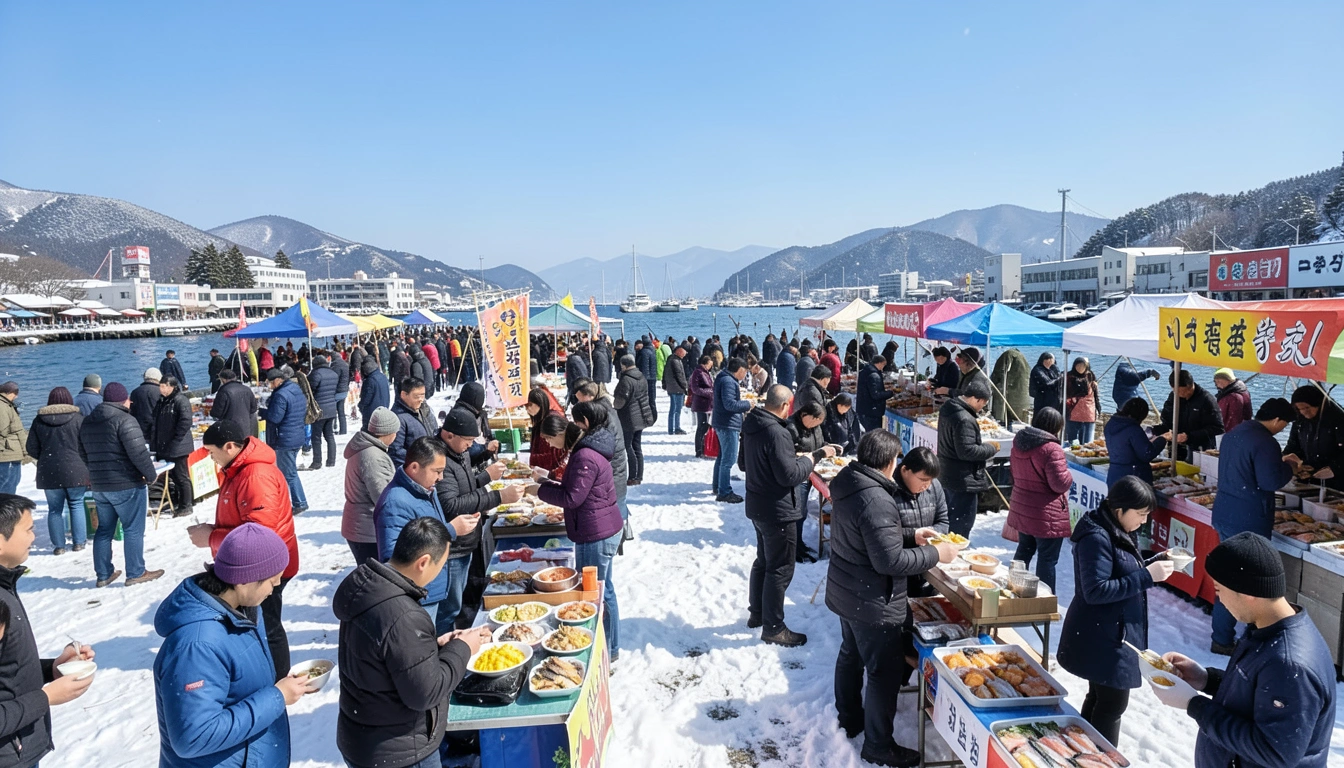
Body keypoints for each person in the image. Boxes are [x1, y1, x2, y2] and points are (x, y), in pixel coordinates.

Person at [827, 431, 958, 767]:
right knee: (883, 671)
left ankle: (850, 717)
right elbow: (890, 561)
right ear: (889, 462)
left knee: (850, 654)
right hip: (871, 598)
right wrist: (934, 553)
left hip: (849, 590)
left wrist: (911, 535)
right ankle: (878, 744)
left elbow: (872, 535)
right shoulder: (877, 498)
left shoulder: (849, 481)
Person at [1156, 533, 1336, 768]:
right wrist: (1206, 679)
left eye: (1219, 590)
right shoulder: (1266, 627)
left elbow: (1275, 752)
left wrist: (1194, 705)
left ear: (1249, 592)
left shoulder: (1288, 664)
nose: (1218, 600)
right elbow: (1257, 694)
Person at [334, 516, 492, 768]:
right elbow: (425, 693)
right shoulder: (403, 613)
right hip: (400, 751)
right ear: (423, 562)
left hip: (363, 737)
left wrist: (436, 646)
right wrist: (464, 648)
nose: (439, 573)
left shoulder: (371, 590)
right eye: (440, 565)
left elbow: (388, 655)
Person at [154, 523, 307, 767]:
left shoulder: (243, 610)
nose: (276, 587)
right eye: (272, 580)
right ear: (244, 581)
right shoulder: (197, 646)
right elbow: (193, 737)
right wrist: (277, 697)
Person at [1057, 476, 1175, 746]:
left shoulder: (1113, 527)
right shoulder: (1096, 537)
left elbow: (1122, 566)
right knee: (1112, 705)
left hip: (1110, 631)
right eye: (1141, 514)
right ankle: (1099, 758)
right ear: (1120, 508)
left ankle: (1081, 752)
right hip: (1105, 635)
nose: (1143, 521)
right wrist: (1147, 576)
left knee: (1100, 699)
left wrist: (1155, 561)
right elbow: (1096, 590)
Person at [190, 420, 300, 681]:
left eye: (212, 452)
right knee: (259, 619)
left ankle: (277, 678)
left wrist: (212, 537)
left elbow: (260, 533)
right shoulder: (238, 469)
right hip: (254, 564)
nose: (211, 458)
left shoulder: (255, 475)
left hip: (266, 566)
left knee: (267, 622)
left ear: (229, 447)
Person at [0, 493, 98, 768]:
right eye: (28, 530)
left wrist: (51, 670)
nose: (34, 537)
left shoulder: (4, 584)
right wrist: (45, 698)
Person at [530, 415, 625, 659]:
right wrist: (545, 481)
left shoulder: (584, 456)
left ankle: (607, 649)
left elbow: (573, 498)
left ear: (562, 433)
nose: (550, 445)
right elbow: (573, 488)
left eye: (550, 439)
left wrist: (539, 490)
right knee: (600, 590)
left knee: (597, 593)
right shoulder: (583, 451)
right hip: (593, 528)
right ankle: (607, 645)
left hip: (597, 532)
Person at [742, 385, 829, 646]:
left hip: (759, 504)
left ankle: (757, 614)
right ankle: (774, 627)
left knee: (764, 561)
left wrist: (792, 458)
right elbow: (790, 475)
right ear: (785, 406)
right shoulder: (777, 431)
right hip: (778, 508)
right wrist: (814, 457)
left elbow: (744, 464)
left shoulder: (752, 423)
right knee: (779, 569)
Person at [1210, 398, 1298, 655]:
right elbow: (1270, 481)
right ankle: (1244, 638)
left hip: (1226, 511)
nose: (1282, 430)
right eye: (1284, 425)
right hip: (1248, 519)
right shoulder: (1265, 441)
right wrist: (1289, 465)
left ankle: (1221, 636)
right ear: (1277, 421)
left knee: (1228, 577)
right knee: (1250, 583)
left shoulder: (1234, 433)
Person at [375, 437, 479, 634]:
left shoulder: (425, 489)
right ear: (414, 467)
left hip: (437, 590)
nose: (440, 478)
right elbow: (393, 559)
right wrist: (450, 531)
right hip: (422, 598)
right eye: (437, 472)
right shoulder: (395, 502)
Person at [435, 410, 520, 631]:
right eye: (468, 441)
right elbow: (451, 504)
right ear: (449, 435)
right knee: (451, 609)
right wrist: (498, 497)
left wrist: (486, 477)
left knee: (466, 599)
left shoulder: (458, 452)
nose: (470, 447)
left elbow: (465, 486)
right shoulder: (439, 458)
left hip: (468, 539)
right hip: (452, 546)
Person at [79, 382, 164, 588]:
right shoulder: (125, 420)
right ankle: (135, 572)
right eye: (128, 398)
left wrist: (95, 472)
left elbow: (83, 452)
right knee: (133, 529)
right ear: (122, 400)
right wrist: (151, 475)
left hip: (100, 486)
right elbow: (139, 453)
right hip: (126, 483)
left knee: (104, 530)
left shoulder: (88, 421)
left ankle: (103, 574)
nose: (130, 402)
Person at [1007, 407, 1072, 592]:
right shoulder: (1052, 449)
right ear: (1056, 427)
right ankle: (1044, 599)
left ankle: (1013, 589)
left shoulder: (1019, 442)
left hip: (1022, 507)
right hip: (1045, 513)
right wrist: (1069, 475)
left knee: (1024, 551)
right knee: (1047, 559)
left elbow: (1013, 474)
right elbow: (1060, 484)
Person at [26, 387, 89, 554]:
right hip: (76, 469)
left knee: (54, 509)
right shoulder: (78, 419)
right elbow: (86, 445)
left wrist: (46, 457)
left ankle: (59, 546)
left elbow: (31, 447)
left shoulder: (38, 421)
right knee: (76, 504)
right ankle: (79, 542)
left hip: (48, 470)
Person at [935, 377, 999, 538]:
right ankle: (954, 553)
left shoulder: (949, 407)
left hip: (947, 472)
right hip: (962, 478)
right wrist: (991, 448)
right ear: (975, 399)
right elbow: (967, 451)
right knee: (961, 522)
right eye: (982, 403)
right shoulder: (964, 419)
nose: (982, 407)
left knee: (950, 516)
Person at [344, 407, 399, 565]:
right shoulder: (373, 456)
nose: (396, 436)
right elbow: (382, 496)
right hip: (366, 529)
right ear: (387, 432)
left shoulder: (368, 450)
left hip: (361, 526)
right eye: (395, 431)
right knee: (374, 580)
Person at [260, 368, 309, 514]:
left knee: (289, 473)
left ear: (277, 380)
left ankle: (300, 502)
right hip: (296, 434)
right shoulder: (295, 389)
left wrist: (263, 411)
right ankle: (297, 501)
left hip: (286, 437)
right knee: (290, 470)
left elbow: (275, 417)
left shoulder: (281, 395)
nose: (269, 386)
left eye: (270, 383)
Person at [788, 400, 828, 563]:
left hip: (810, 471)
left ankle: (799, 543)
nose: (816, 425)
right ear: (805, 415)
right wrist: (809, 455)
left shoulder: (814, 426)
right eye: (815, 420)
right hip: (798, 474)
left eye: (819, 422)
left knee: (802, 512)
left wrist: (827, 447)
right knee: (798, 512)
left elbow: (818, 443)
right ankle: (794, 548)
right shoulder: (791, 427)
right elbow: (788, 453)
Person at [1283, 384, 1344, 489]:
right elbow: (1293, 446)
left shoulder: (1338, 418)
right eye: (1300, 409)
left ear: (1318, 404)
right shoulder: (1299, 421)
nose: (1304, 412)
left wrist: (1334, 469)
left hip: (1336, 478)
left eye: (1307, 407)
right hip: (1310, 476)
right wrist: (1290, 460)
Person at [1157, 368, 1224, 461]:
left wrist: (1189, 436)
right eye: (1176, 391)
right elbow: (1167, 417)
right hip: (1177, 446)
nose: (1180, 394)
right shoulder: (1174, 396)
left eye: (1183, 391)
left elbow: (1218, 428)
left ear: (1190, 385)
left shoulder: (1206, 400)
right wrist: (1162, 430)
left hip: (1200, 447)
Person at [151, 376, 195, 518]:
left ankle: (186, 505)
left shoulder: (180, 400)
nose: (161, 389)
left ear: (172, 387)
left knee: (181, 476)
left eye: (164, 386)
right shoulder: (162, 401)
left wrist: (176, 440)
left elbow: (185, 421)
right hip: (165, 444)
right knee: (174, 477)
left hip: (178, 445)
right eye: (160, 386)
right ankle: (178, 501)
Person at [712, 358, 753, 503]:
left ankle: (718, 486)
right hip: (727, 424)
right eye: (745, 372)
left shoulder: (724, 378)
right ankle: (724, 492)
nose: (745, 375)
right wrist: (748, 404)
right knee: (728, 460)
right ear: (740, 370)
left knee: (722, 457)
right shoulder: (728, 381)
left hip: (722, 422)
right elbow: (729, 404)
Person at [1104, 397, 1170, 487]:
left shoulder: (1111, 424)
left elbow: (1128, 445)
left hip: (1114, 474)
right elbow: (1147, 454)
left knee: (1116, 499)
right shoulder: (1134, 429)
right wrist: (1163, 438)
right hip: (1134, 477)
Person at [611, 354, 654, 486]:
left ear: (624, 365)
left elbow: (620, 401)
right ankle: (638, 475)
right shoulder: (641, 376)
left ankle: (633, 475)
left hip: (629, 417)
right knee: (637, 446)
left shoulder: (626, 380)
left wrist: (613, 404)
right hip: (641, 415)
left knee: (629, 446)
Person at [389, 377, 437, 468]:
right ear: (404, 395)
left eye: (422, 395)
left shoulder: (424, 409)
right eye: (416, 396)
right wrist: (419, 461)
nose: (421, 399)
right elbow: (396, 450)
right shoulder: (398, 418)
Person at [307, 354, 340, 470]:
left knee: (316, 437)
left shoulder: (316, 374)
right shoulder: (333, 373)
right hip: (331, 408)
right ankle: (331, 460)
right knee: (329, 435)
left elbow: (310, 390)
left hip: (319, 410)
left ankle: (317, 461)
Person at [526, 387, 567, 477]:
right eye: (525, 406)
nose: (527, 409)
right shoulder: (540, 420)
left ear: (539, 403)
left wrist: (528, 459)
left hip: (552, 472)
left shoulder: (550, 421)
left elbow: (553, 456)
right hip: (543, 471)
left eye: (529, 405)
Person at [210, 368, 258, 437]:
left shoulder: (223, 391)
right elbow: (253, 409)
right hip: (246, 426)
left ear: (223, 379)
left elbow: (217, 413)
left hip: (230, 427)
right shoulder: (246, 389)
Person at [1065, 356, 1100, 444]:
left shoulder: (1090, 375)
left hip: (1088, 411)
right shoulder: (1069, 376)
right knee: (1072, 440)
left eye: (1082, 366)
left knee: (1087, 442)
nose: (1080, 368)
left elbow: (1095, 394)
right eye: (1078, 365)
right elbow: (1068, 392)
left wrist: (1098, 408)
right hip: (1073, 410)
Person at [688, 355, 715, 458]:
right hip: (701, 403)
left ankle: (703, 448)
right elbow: (695, 389)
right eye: (709, 364)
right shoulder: (698, 372)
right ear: (705, 363)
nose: (711, 366)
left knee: (705, 426)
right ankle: (699, 450)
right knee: (701, 426)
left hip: (706, 403)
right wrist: (710, 392)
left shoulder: (705, 373)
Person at [1213, 368, 1253, 435]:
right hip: (1243, 431)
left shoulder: (1233, 397)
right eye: (1215, 381)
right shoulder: (1243, 391)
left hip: (1231, 434)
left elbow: (1231, 421)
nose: (1216, 384)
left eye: (1218, 381)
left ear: (1227, 380)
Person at [855, 354, 889, 433]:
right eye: (883, 365)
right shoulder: (874, 375)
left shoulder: (865, 371)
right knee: (873, 433)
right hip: (872, 411)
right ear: (879, 363)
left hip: (864, 409)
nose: (883, 367)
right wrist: (889, 393)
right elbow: (875, 395)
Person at [0, 383, 24, 495]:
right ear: (9, 393)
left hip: (9, 452)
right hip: (8, 452)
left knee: (10, 482)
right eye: (15, 393)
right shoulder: (3, 406)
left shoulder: (5, 404)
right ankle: (6, 511)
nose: (16, 396)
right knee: (8, 484)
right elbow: (3, 429)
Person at [357, 358, 391, 430]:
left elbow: (366, 398)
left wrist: (361, 406)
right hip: (384, 408)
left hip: (371, 412)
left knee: (369, 432)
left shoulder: (370, 380)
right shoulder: (383, 376)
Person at [663, 345, 689, 435]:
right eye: (684, 352)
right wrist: (685, 386)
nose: (685, 355)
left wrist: (664, 384)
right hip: (677, 388)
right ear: (678, 351)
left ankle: (672, 428)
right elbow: (680, 376)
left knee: (673, 409)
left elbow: (665, 372)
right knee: (676, 409)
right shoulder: (675, 361)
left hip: (672, 387)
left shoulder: (671, 360)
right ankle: (676, 428)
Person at [130, 367, 163, 438]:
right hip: (157, 430)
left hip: (139, 430)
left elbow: (132, 412)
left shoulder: (135, 392)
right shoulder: (160, 392)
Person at [1029, 352, 1064, 417]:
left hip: (1054, 400)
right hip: (1042, 400)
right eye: (1047, 359)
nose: (1049, 361)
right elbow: (1047, 383)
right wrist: (1059, 378)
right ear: (1042, 360)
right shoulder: (1037, 370)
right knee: (1042, 417)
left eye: (1051, 360)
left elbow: (1059, 379)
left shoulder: (1053, 369)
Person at [636, 337, 659, 423]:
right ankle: (653, 415)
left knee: (647, 399)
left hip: (647, 379)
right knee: (652, 398)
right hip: (652, 377)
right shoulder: (652, 350)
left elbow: (644, 367)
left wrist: (642, 379)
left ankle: (651, 417)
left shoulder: (644, 352)